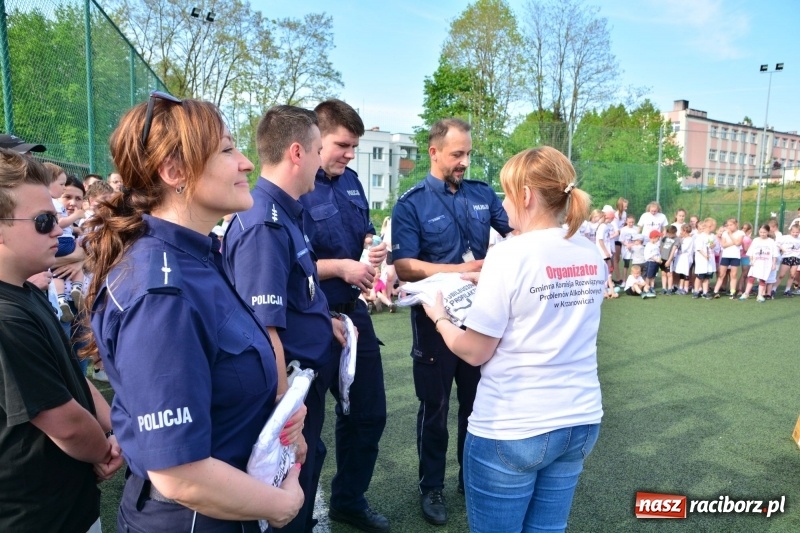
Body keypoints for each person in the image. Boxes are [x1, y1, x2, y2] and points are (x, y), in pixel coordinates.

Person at [84, 93, 305, 532]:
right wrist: (280, 506)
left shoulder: (195, 257)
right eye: (227, 150)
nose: (246, 163)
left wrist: (276, 414)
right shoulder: (161, 293)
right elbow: (179, 474)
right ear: (175, 172)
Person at [421, 146, 603, 532]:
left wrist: (439, 318)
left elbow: (474, 351)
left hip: (515, 423)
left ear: (526, 195)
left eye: (506, 194)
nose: (503, 204)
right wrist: (489, 284)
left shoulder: (509, 255)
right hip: (580, 417)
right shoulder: (589, 251)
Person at [223, 105, 337, 533]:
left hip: (301, 385)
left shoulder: (285, 212)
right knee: (286, 505)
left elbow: (295, 295)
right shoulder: (265, 224)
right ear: (297, 153)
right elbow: (263, 329)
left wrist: (326, 323)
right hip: (286, 391)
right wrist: (288, 419)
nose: (322, 161)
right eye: (319, 150)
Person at [391, 118, 511, 525]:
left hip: (480, 320)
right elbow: (404, 266)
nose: (464, 162)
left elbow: (516, 235)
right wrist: (460, 270)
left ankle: (470, 479)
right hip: (435, 322)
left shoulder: (482, 194)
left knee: (477, 406)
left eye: (468, 154)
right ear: (434, 152)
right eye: (457, 154)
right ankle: (432, 487)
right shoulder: (411, 203)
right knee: (436, 408)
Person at [0, 148, 122, 532]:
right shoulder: (6, 317)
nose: (58, 230)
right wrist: (103, 449)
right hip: (35, 514)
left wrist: (115, 426)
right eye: (43, 221)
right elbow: (63, 422)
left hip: (65, 501)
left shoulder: (26, 291)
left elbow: (70, 373)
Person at [295, 98, 390, 532]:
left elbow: (362, 230)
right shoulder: (295, 183)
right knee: (304, 430)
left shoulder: (351, 181)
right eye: (342, 145)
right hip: (311, 317)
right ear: (317, 137)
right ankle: (296, 514)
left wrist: (370, 248)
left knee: (368, 415)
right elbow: (285, 265)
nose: (350, 154)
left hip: (354, 314)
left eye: (355, 146)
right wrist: (340, 267)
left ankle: (349, 500)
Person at [740, 224, 778, 302]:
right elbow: (751, 252)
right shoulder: (756, 240)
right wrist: (751, 260)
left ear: (768, 232)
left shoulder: (771, 241)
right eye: (761, 232)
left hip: (766, 264)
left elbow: (774, 254)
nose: (762, 234)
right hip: (756, 263)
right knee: (751, 278)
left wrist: (774, 264)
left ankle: (760, 295)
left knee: (763, 279)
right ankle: (746, 293)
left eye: (764, 232)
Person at [712, 218, 744, 299]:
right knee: (721, 274)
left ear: (736, 224)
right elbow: (723, 245)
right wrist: (734, 242)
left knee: (733, 275)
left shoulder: (740, 233)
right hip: (725, 256)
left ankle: (732, 292)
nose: (729, 227)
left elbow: (738, 243)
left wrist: (730, 235)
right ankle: (716, 291)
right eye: (728, 225)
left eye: (731, 225)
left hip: (735, 257)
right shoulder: (724, 233)